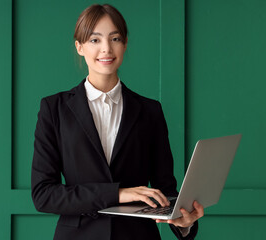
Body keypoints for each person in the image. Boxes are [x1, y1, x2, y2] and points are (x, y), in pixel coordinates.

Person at [31, 4, 204, 240]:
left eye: (115, 38)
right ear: (79, 47)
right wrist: (118, 193)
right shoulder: (54, 109)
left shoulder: (150, 111)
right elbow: (44, 195)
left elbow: (165, 189)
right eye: (95, 40)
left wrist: (184, 224)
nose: (106, 49)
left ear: (125, 44)